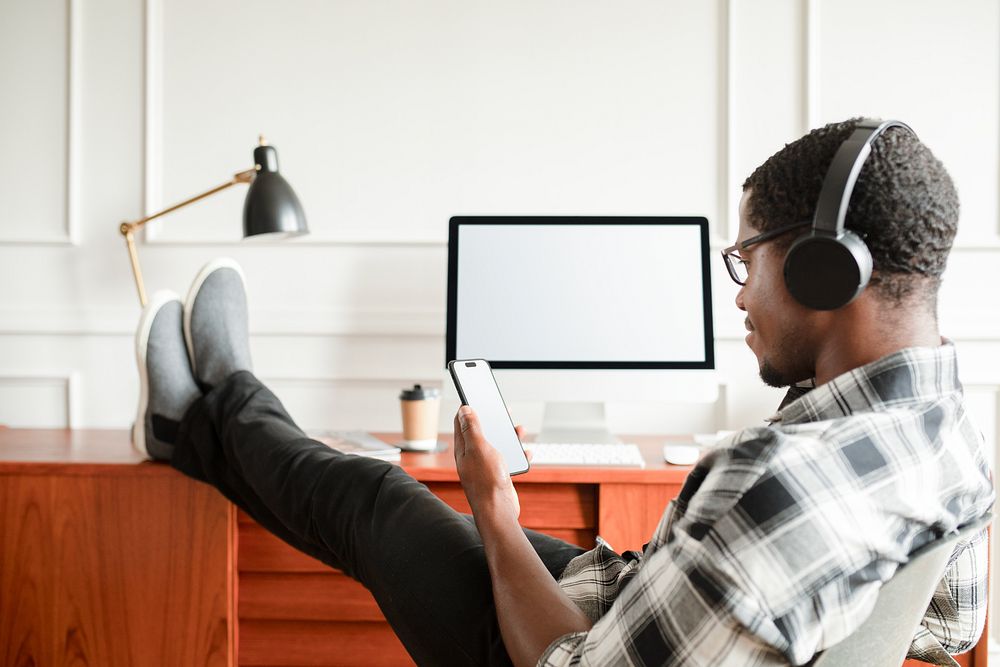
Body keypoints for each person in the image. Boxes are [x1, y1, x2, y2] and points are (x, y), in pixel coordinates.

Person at [132, 118, 994, 667]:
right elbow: (947, 628)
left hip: (555, 652)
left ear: (821, 264)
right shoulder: (953, 432)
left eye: (747, 257)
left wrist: (495, 508)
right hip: (638, 604)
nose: (737, 291)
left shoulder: (773, 483)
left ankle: (220, 400)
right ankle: (194, 426)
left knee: (373, 493)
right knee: (386, 498)